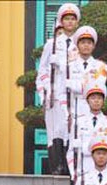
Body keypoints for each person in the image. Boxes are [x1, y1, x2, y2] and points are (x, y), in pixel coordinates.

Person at [37, 3, 81, 175]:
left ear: (77, 22)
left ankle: (70, 166)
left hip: (74, 95)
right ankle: (57, 166)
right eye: (66, 19)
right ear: (61, 22)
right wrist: (45, 91)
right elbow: (42, 70)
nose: (70, 22)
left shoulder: (81, 43)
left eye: (72, 19)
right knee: (55, 130)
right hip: (55, 94)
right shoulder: (52, 44)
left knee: (70, 130)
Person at [69, 83, 107, 177]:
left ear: (103, 101)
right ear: (87, 101)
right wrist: (73, 171)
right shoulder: (78, 122)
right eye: (93, 98)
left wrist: (85, 147)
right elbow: (71, 149)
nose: (96, 101)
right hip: (82, 167)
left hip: (102, 168)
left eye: (99, 98)